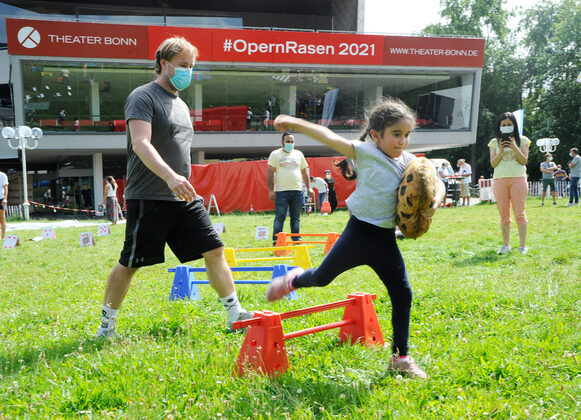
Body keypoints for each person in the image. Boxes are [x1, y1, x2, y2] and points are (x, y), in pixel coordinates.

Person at [265, 98, 445, 379]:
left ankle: (401, 358)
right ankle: (293, 280)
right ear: (376, 135)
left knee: (403, 293)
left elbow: (437, 183)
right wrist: (295, 123)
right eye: (396, 134)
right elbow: (330, 137)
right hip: (358, 232)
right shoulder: (366, 152)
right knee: (323, 278)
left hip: (386, 240)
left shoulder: (411, 162)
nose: (402, 141)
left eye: (407, 135)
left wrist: (434, 204)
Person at [96, 37, 252, 338]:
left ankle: (235, 315)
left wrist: (181, 180)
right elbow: (141, 143)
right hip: (149, 195)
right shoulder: (143, 97)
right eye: (182, 65)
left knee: (215, 249)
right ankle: (107, 326)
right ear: (163, 63)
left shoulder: (180, 104)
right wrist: (169, 176)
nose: (187, 72)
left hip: (183, 195)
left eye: (191, 66)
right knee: (130, 263)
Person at [488, 112, 531, 254]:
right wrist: (501, 150)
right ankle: (506, 245)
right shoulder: (494, 142)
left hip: (518, 179)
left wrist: (513, 147)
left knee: (520, 213)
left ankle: (522, 246)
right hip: (500, 180)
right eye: (503, 125)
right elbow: (493, 164)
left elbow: (524, 160)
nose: (506, 127)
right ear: (499, 127)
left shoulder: (523, 140)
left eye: (509, 125)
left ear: (514, 125)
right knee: (504, 216)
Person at [267, 131, 314, 245]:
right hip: (281, 191)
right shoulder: (275, 154)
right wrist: (270, 190)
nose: (290, 143)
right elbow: (270, 173)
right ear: (282, 142)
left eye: (292, 142)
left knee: (296, 217)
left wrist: (309, 188)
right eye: (288, 141)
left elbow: (304, 172)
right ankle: (277, 240)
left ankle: (296, 238)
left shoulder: (299, 154)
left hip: (297, 190)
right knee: (280, 216)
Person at [0, 170, 8, 240]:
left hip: (1, 198)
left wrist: (5, 199)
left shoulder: (2, 175)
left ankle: (3, 237)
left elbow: (5, 188)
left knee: (2, 218)